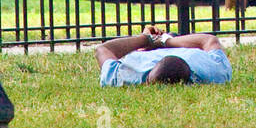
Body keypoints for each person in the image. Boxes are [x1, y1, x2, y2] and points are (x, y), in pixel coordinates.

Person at [95, 26, 232, 86]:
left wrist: (146, 39)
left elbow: (103, 49)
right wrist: (165, 40)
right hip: (180, 45)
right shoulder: (214, 72)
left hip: (170, 46)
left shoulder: (127, 75)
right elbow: (209, 41)